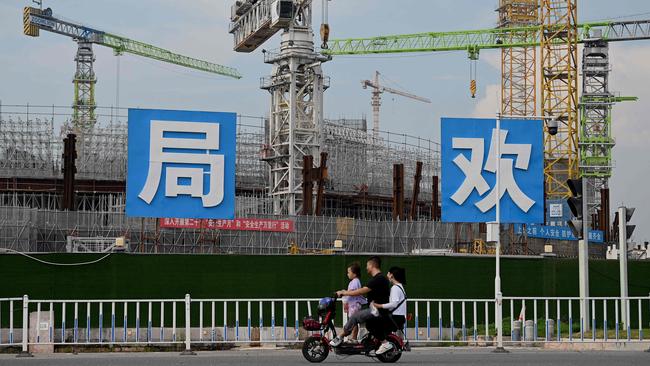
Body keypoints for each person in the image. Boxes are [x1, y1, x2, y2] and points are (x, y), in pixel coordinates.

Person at [329, 256, 390, 347]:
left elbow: (361, 291)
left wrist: (343, 292)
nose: (366, 268)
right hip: (376, 309)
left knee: (355, 316)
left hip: (377, 310)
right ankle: (373, 341)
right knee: (367, 324)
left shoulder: (378, 279)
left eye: (367, 265)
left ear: (372, 265)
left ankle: (340, 337)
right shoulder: (379, 278)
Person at [372, 266, 407, 355]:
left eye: (388, 273)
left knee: (372, 324)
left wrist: (379, 305)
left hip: (394, 318)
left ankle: (385, 344)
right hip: (399, 317)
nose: (387, 275)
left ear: (392, 275)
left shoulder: (395, 288)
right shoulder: (400, 287)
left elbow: (394, 304)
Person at [343, 262, 367, 342]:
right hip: (353, 305)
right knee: (354, 322)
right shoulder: (354, 281)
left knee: (354, 322)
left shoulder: (355, 282)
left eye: (349, 272)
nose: (347, 274)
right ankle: (354, 337)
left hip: (354, 305)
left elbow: (351, 293)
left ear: (355, 274)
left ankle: (354, 338)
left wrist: (345, 301)